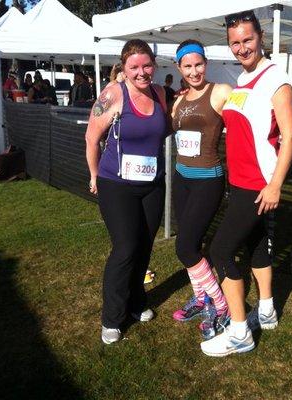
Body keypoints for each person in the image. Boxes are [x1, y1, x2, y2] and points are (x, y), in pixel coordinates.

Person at [200, 10, 292, 357]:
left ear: (261, 38)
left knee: (221, 251)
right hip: (239, 180)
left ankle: (240, 332)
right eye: (235, 42)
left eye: (248, 40)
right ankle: (267, 311)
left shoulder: (276, 79)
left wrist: (275, 186)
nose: (242, 48)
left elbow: (290, 136)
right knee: (256, 244)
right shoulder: (240, 80)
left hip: (258, 183)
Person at [85, 39, 167, 344]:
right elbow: (92, 138)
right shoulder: (113, 94)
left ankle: (136, 302)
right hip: (116, 184)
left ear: (154, 66)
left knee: (144, 245)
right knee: (125, 247)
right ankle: (112, 317)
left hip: (152, 185)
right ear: (124, 67)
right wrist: (94, 174)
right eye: (134, 67)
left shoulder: (159, 94)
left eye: (147, 65)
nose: (142, 72)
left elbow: (165, 128)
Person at [170, 39, 232, 333]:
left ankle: (221, 305)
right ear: (179, 68)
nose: (194, 71)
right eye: (187, 66)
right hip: (182, 178)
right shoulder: (179, 100)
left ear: (205, 63)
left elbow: (246, 120)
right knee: (190, 245)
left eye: (198, 64)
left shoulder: (219, 91)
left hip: (208, 179)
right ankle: (200, 299)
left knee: (184, 246)